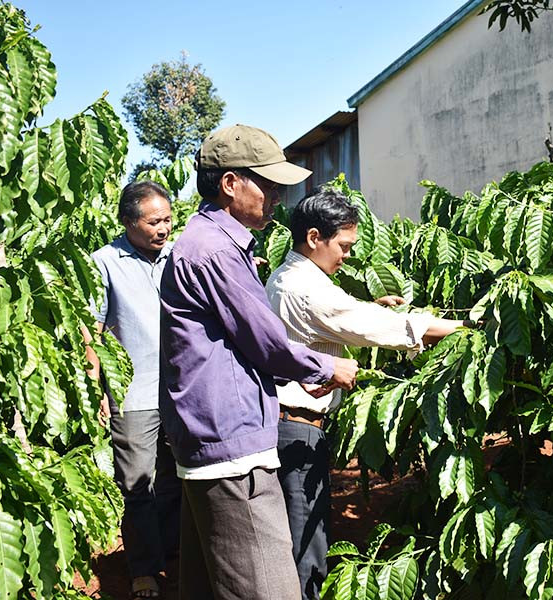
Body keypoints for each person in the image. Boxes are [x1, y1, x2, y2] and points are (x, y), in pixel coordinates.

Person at [158, 124, 359, 600]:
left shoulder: (209, 242)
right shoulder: (214, 251)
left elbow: (237, 343)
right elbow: (265, 339)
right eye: (266, 185)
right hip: (231, 450)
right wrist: (327, 369)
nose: (276, 197)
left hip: (210, 439)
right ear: (230, 184)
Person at [265, 186, 465, 599]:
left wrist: (372, 305)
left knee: (302, 536)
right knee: (307, 545)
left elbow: (334, 316)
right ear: (314, 238)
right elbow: (377, 326)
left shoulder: (293, 276)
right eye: (344, 245)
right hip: (297, 431)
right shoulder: (304, 288)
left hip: (289, 426)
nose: (348, 255)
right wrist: (468, 327)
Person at [84, 180, 180, 600]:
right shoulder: (104, 262)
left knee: (178, 478)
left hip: (183, 390)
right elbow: (93, 330)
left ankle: (172, 553)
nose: (163, 229)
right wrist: (97, 388)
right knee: (139, 483)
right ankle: (144, 568)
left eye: (168, 220)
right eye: (154, 222)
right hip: (134, 392)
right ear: (128, 222)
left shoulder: (179, 256)